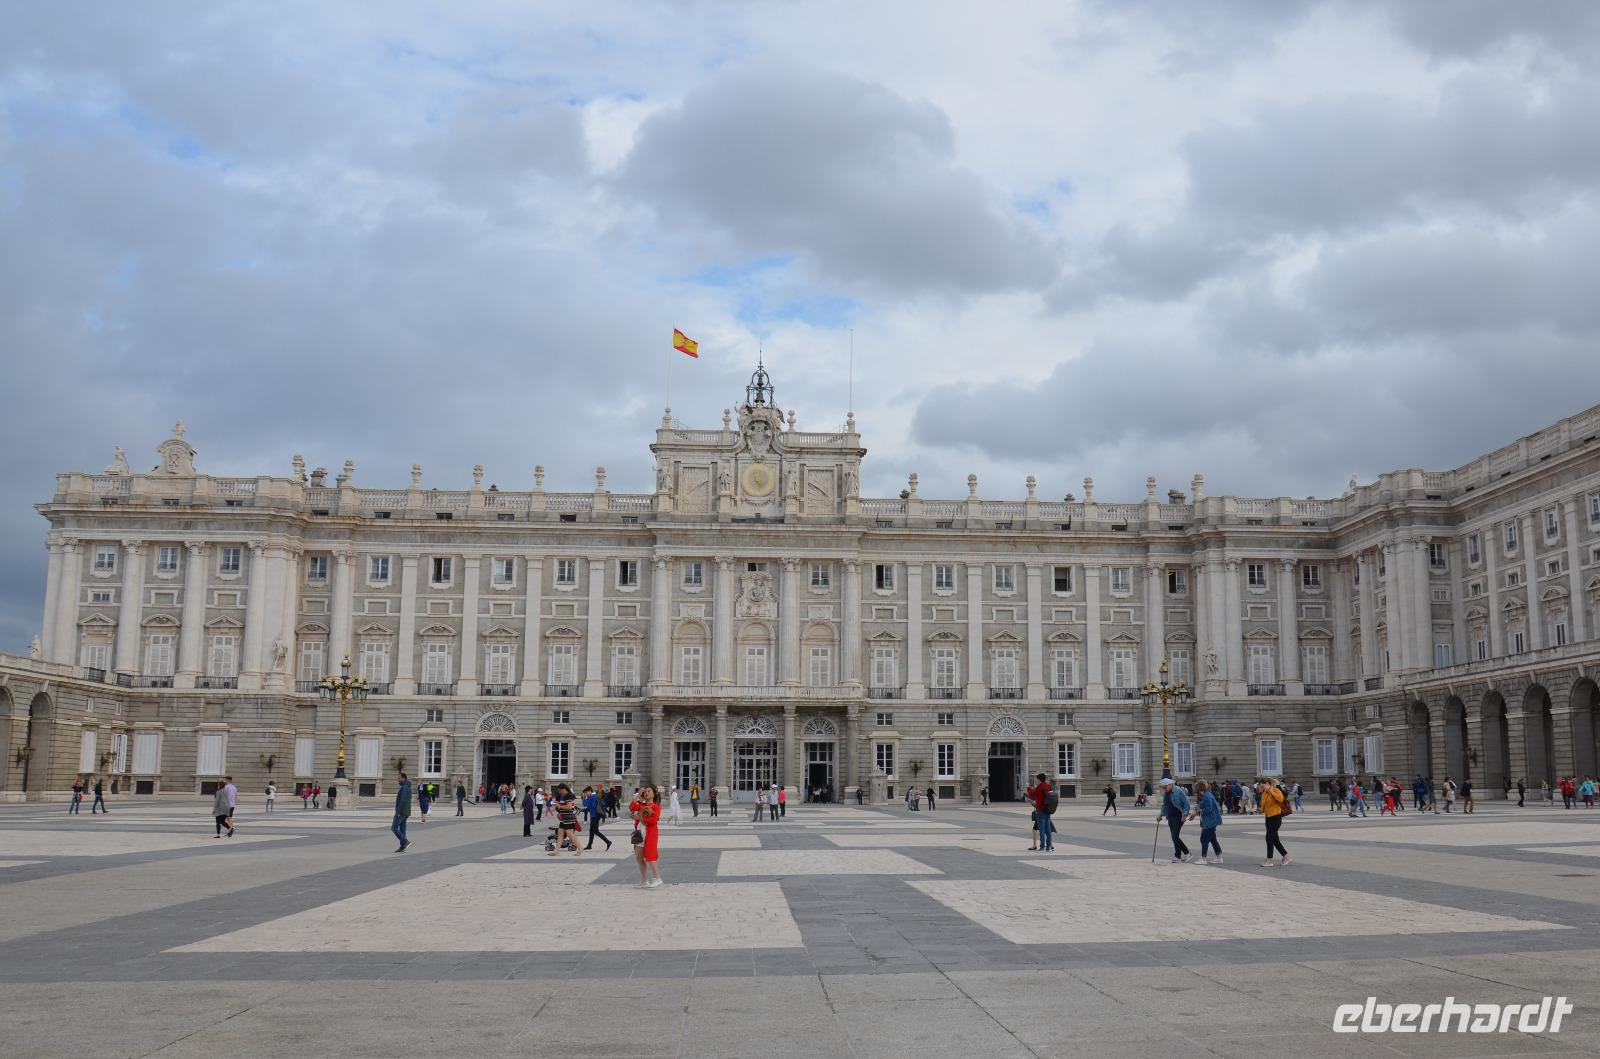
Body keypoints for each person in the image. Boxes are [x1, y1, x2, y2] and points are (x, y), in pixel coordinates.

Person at [631, 785, 663, 888]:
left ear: (654, 794)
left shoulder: (656, 806)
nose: (646, 793)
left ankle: (657, 878)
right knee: (639, 858)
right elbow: (632, 807)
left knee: (650, 857)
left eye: (649, 791)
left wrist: (640, 818)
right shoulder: (642, 805)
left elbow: (653, 820)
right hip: (640, 834)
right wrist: (638, 795)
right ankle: (644, 881)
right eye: (645, 792)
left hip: (650, 834)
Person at [1259, 777, 1292, 867]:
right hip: (1268, 817)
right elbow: (1263, 806)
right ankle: (1286, 856)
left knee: (1269, 837)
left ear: (1267, 784)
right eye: (1261, 787)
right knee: (1274, 839)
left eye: (1262, 786)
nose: (1262, 788)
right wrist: (1260, 809)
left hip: (1276, 817)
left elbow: (1280, 799)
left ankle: (1269, 859)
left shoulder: (1276, 790)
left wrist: (1271, 791)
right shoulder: (1264, 794)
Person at [1190, 779, 1223, 865]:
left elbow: (1208, 809)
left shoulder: (1206, 796)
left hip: (1210, 821)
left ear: (1199, 788)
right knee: (1212, 839)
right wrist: (1197, 811)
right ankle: (1219, 857)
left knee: (1204, 839)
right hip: (1212, 820)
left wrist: (1199, 810)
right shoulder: (1207, 794)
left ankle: (1203, 858)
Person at [1158, 777, 1190, 862]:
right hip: (1170, 816)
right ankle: (1186, 853)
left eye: (1165, 787)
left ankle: (1178, 855)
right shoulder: (1166, 793)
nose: (1164, 789)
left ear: (1170, 785)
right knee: (1174, 837)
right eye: (1163, 787)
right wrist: (1160, 815)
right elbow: (1165, 805)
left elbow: (1186, 803)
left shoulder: (1179, 791)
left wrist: (1185, 815)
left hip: (1179, 816)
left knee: (1175, 836)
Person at [1027, 772, 1056, 853]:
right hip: (1048, 810)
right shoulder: (1047, 786)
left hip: (1040, 810)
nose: (1036, 781)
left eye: (1037, 779)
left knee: (1042, 829)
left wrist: (1028, 788)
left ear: (1039, 780)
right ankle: (1048, 847)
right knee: (1048, 829)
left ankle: (1042, 847)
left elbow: (1032, 795)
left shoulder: (1039, 787)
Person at [583, 785, 612, 851]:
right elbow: (588, 806)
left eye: (586, 792)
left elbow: (590, 806)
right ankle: (589, 845)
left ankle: (608, 842)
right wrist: (585, 808)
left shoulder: (593, 797)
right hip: (594, 815)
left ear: (590, 791)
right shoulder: (592, 797)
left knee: (595, 831)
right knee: (591, 831)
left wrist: (585, 799)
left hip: (595, 816)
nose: (585, 794)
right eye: (585, 793)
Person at [392, 771, 412, 852]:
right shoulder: (407, 787)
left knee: (394, 827)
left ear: (404, 778)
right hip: (406, 811)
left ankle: (405, 842)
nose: (398, 780)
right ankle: (403, 846)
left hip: (402, 812)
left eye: (399, 778)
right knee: (402, 829)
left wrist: (398, 812)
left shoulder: (404, 788)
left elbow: (402, 800)